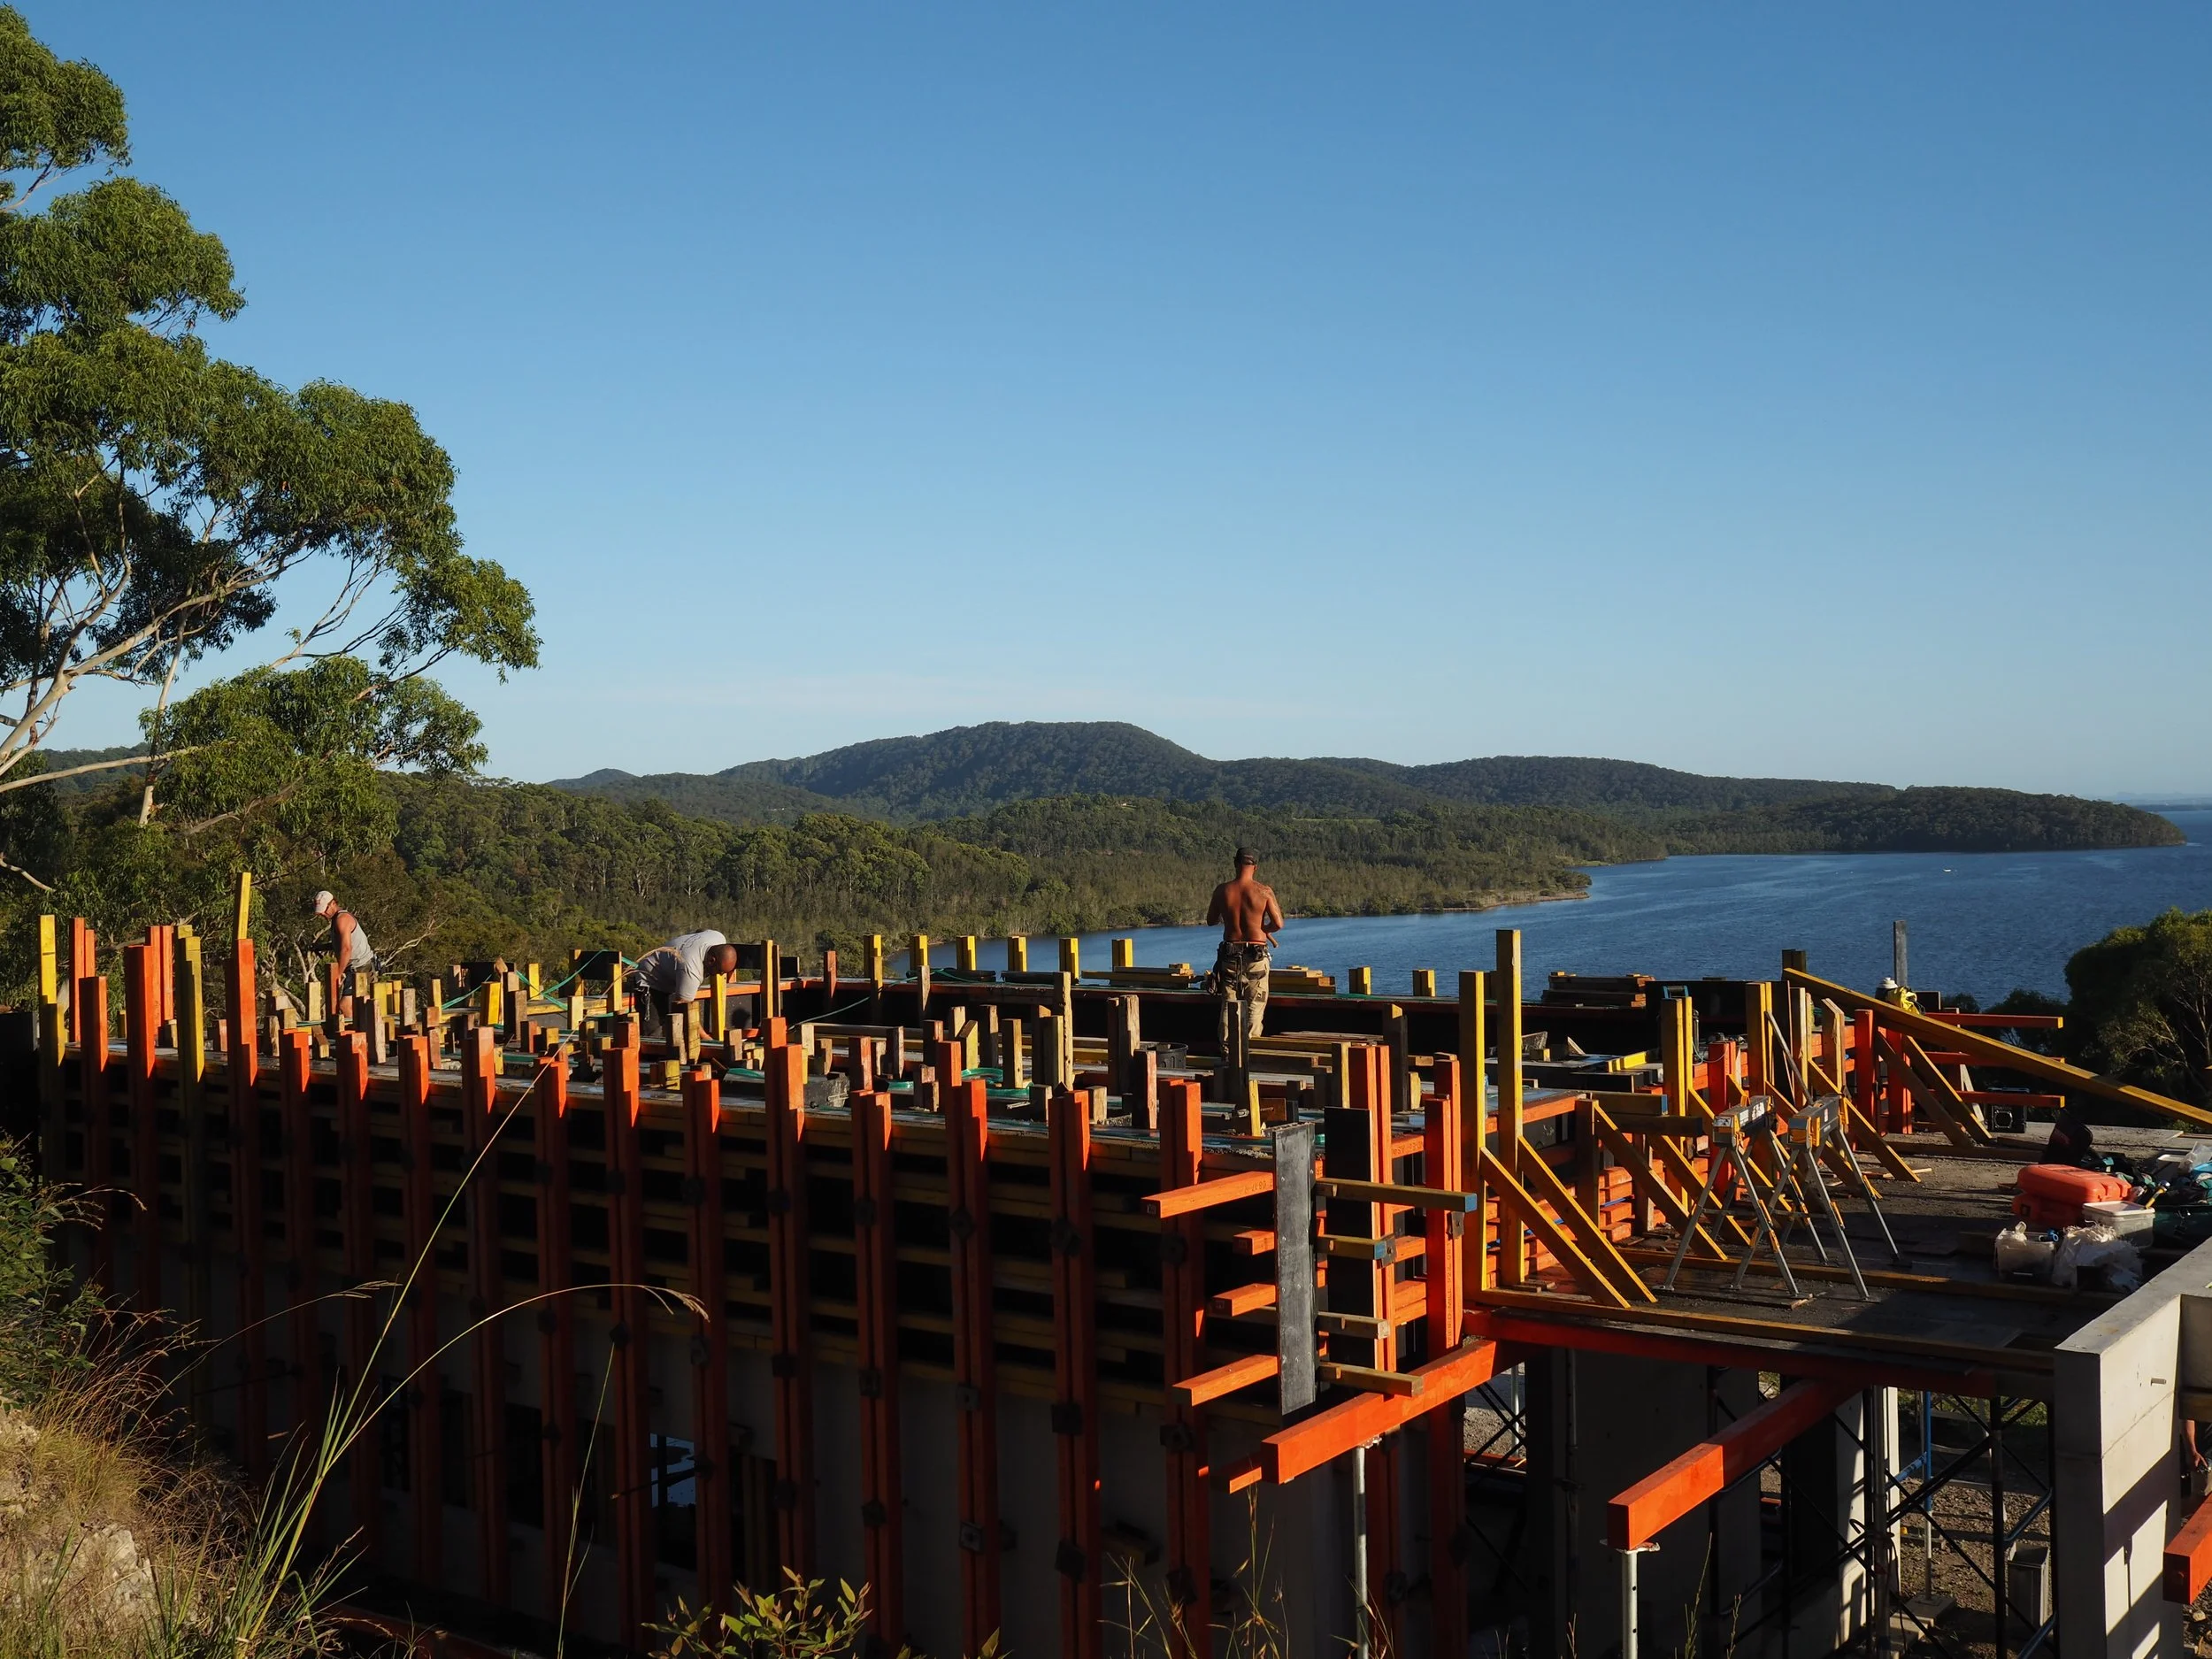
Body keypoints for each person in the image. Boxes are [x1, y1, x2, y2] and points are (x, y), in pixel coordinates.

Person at [1205, 848, 1283, 1058]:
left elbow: (1211, 920)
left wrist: (1230, 916)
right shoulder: (1264, 891)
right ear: (1255, 867)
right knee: (1255, 1006)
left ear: (1235, 864)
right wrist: (1262, 930)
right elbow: (1278, 924)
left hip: (1230, 955)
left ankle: (1227, 1054)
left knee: (1228, 1005)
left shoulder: (1222, 890)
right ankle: (1250, 1056)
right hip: (1256, 955)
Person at [630, 929, 740, 1036]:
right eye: (720, 971)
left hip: (670, 976)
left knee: (673, 1028)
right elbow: (685, 1008)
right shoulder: (691, 969)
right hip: (650, 980)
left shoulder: (717, 937)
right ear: (711, 960)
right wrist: (707, 1039)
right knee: (654, 1036)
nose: (720, 975)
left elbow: (700, 931)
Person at [312, 890, 374, 1019]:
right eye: (321, 912)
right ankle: (364, 1030)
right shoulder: (336, 920)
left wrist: (338, 974)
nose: (323, 914)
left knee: (346, 1006)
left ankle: (361, 1034)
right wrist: (322, 947)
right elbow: (341, 944)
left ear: (333, 903)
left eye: (325, 910)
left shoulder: (342, 919)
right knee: (361, 1005)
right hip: (355, 967)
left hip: (360, 967)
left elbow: (346, 949)